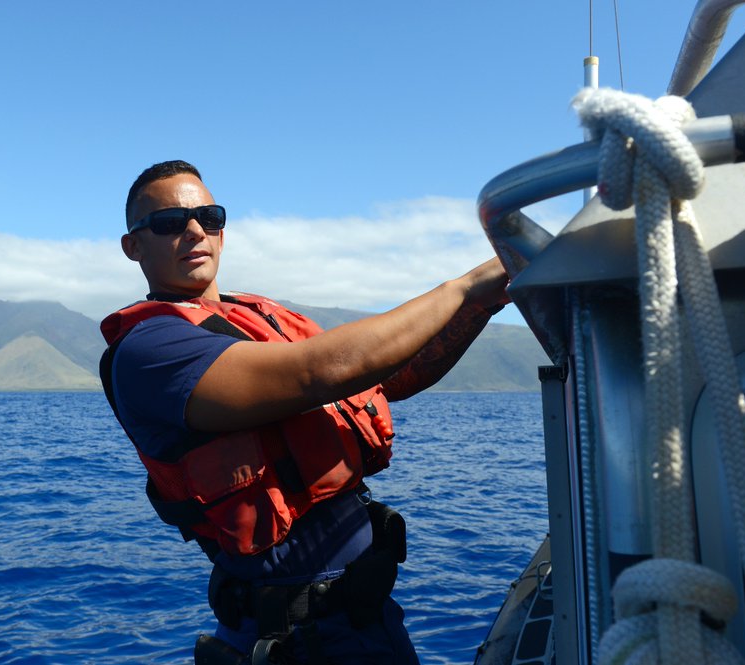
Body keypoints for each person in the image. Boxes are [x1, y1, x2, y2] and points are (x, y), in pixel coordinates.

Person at [99, 160, 509, 665]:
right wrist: (464, 286)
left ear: (223, 234)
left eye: (209, 216)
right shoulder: (150, 349)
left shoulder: (259, 316)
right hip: (295, 642)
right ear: (133, 247)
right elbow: (318, 372)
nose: (193, 230)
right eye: (167, 222)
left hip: (367, 619)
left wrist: (485, 301)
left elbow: (393, 378)